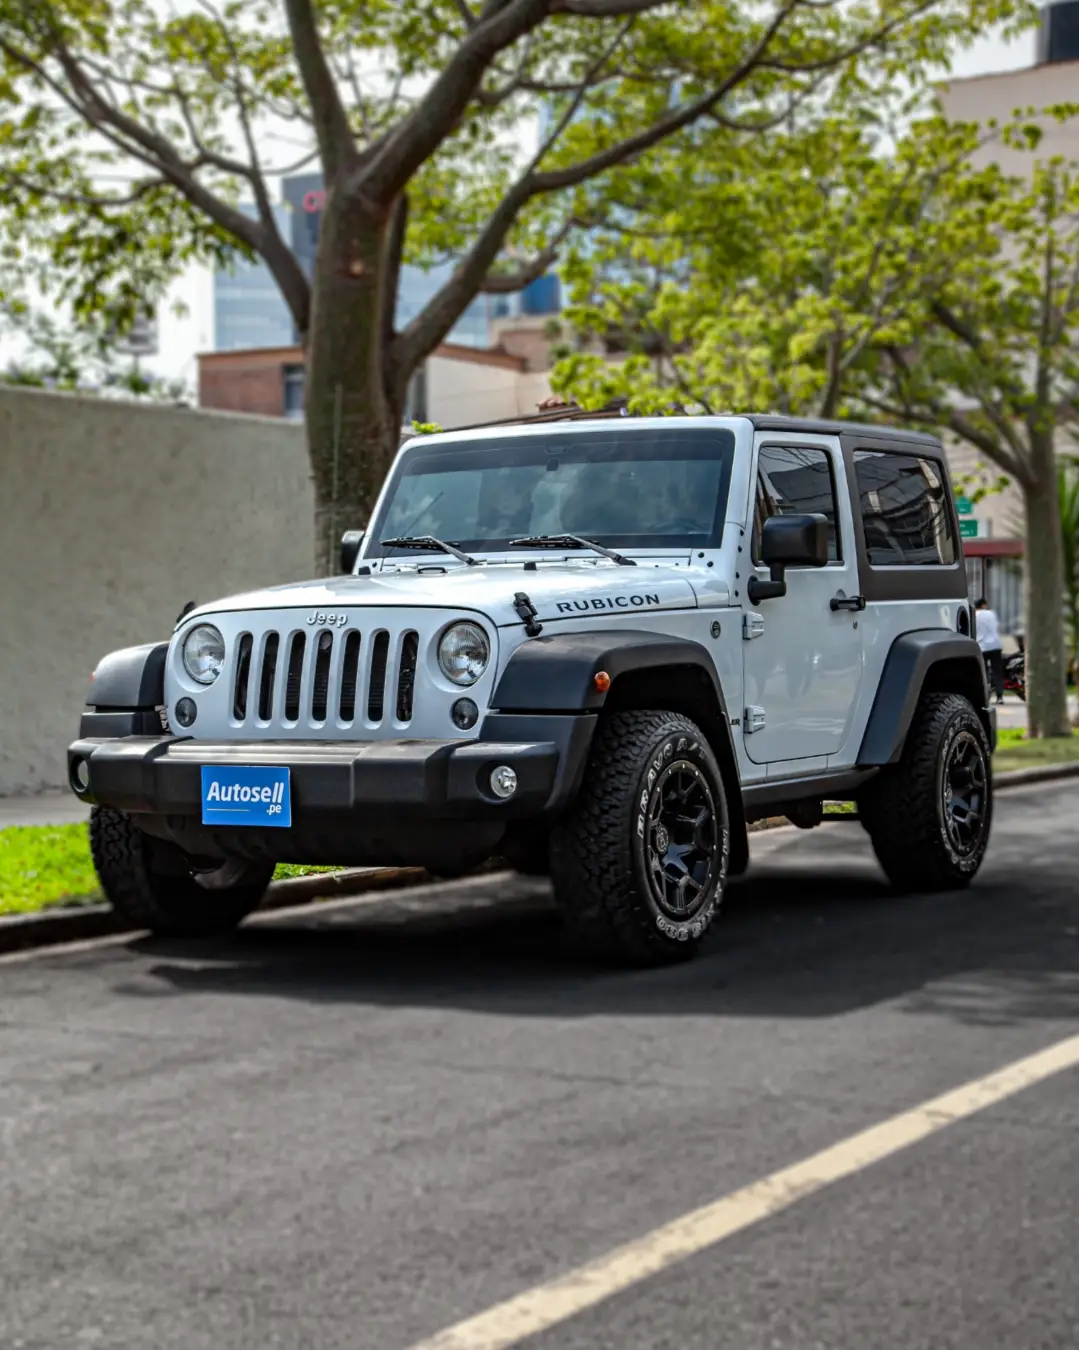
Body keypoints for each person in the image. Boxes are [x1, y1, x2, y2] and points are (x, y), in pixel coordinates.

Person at [976, 598, 1005, 704]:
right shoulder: (992, 614)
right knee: (997, 671)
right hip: (996, 645)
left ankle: (985, 696)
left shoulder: (975, 615)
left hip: (982, 646)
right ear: (984, 605)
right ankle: (1000, 697)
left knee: (983, 672)